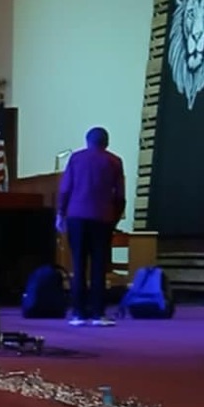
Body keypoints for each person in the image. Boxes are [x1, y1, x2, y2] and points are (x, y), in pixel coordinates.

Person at [57, 126, 126, 326]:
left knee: (78, 264)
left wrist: (60, 213)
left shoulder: (76, 159)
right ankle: (98, 313)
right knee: (99, 266)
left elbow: (65, 189)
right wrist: (114, 219)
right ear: (107, 143)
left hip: (76, 216)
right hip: (102, 218)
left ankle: (78, 313)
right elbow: (120, 196)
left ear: (87, 141)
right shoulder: (114, 161)